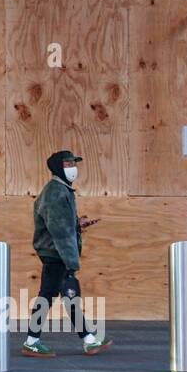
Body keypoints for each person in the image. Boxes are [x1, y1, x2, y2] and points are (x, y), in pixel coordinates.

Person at [21, 149, 111, 358]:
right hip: (57, 253)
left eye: (74, 164)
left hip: (55, 252)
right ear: (58, 168)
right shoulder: (56, 192)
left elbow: (61, 224)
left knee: (59, 297)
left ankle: (87, 338)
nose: (73, 169)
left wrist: (77, 224)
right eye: (68, 165)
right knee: (58, 296)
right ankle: (35, 341)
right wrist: (71, 262)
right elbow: (59, 231)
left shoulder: (61, 189)